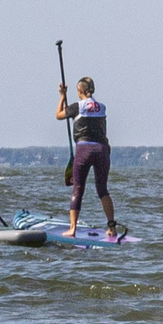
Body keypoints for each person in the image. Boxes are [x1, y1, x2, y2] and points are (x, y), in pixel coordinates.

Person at [56, 75, 120, 239]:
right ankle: (112, 228)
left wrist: (62, 96)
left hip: (84, 149)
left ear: (80, 91)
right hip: (102, 150)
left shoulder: (77, 107)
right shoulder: (102, 107)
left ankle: (72, 229)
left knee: (78, 188)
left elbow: (59, 115)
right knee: (102, 189)